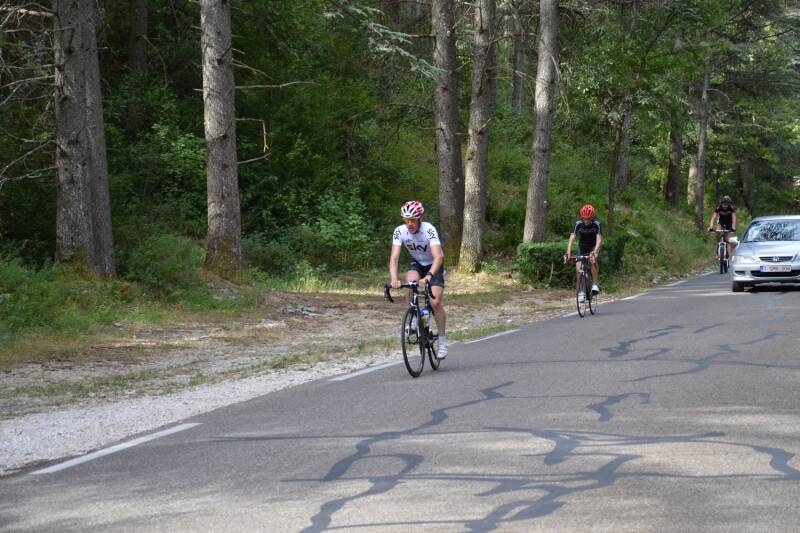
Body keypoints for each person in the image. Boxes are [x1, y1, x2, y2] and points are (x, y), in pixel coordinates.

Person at [389, 201, 448, 359]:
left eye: (413, 220)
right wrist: (394, 279)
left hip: (434, 265)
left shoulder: (429, 230)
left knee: (435, 303)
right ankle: (414, 316)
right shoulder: (399, 231)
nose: (409, 224)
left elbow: (438, 257)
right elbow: (394, 258)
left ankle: (442, 341)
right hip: (417, 262)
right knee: (410, 284)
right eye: (406, 220)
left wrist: (428, 276)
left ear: (420, 218)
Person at [565, 204, 602, 303]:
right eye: (585, 219)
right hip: (582, 246)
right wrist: (568, 252)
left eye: (588, 219)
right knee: (578, 269)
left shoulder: (596, 224)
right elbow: (572, 237)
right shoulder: (578, 223)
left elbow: (599, 239)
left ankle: (594, 284)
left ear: (592, 217)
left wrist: (595, 251)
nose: (586, 221)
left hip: (594, 246)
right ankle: (581, 291)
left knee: (593, 259)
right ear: (582, 217)